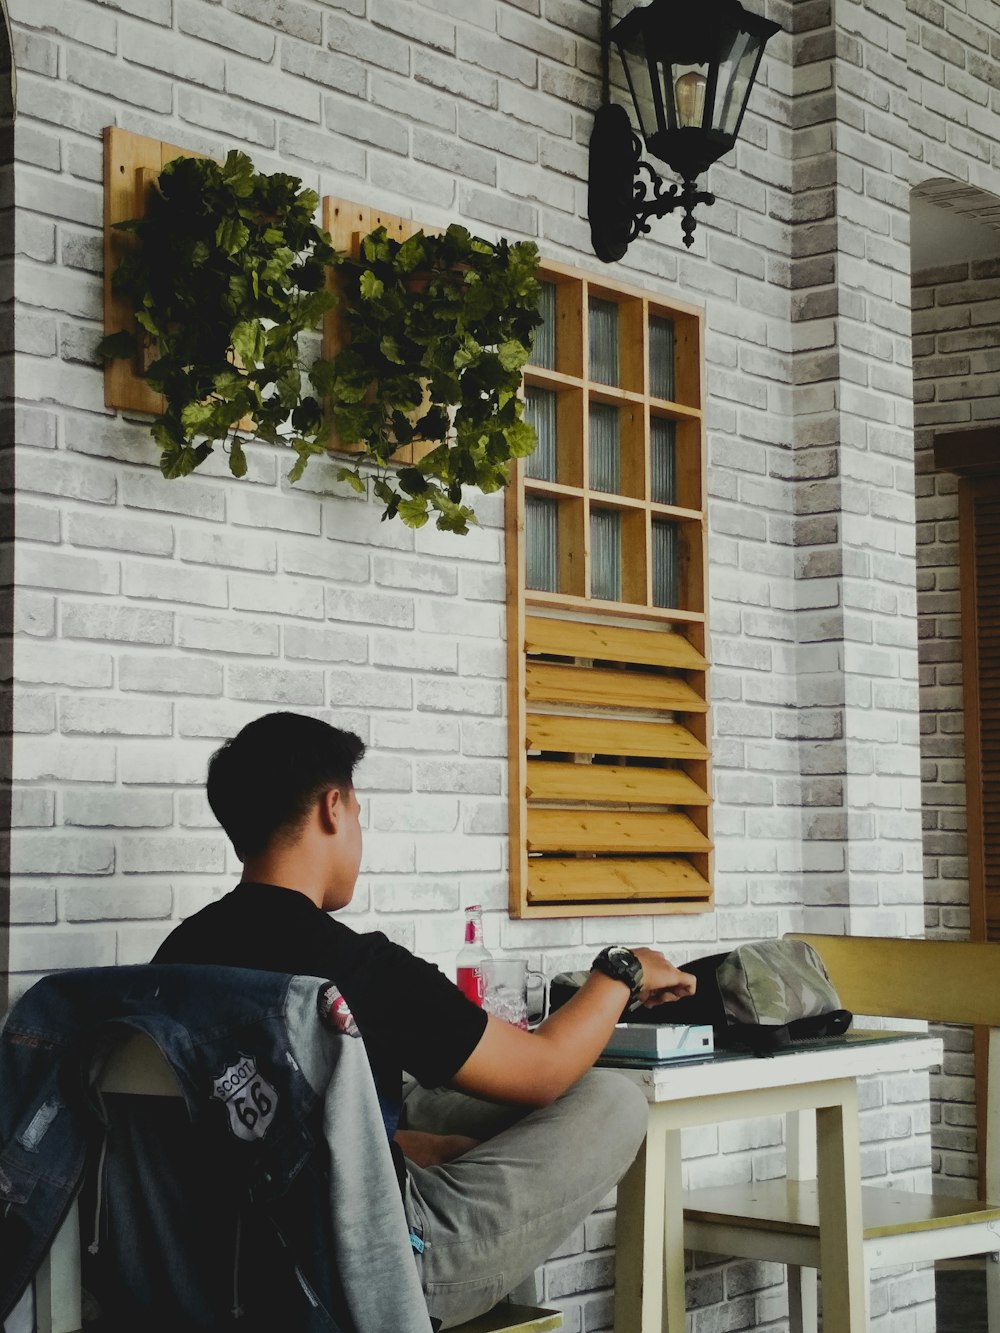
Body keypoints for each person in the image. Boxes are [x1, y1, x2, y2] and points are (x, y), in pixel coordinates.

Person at [153, 711, 696, 1329]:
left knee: (404, 1090)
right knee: (612, 1099)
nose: (358, 825)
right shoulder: (354, 970)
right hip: (372, 1266)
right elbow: (543, 1071)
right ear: (334, 807)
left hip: (208, 1255)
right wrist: (621, 972)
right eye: (358, 811)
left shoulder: (174, 958)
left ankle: (404, 1154)